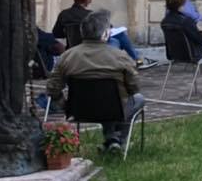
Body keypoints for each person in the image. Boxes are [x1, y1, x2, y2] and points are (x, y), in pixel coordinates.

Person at [46, 8, 143, 150]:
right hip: (115, 109)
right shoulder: (120, 57)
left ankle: (112, 139)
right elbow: (134, 88)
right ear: (105, 34)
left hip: (79, 109)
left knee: (104, 99)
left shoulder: (67, 57)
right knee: (137, 98)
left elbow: (52, 88)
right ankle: (120, 139)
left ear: (82, 32)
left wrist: (66, 106)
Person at [51, 0, 158, 69]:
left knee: (117, 39)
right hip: (94, 48)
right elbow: (106, 30)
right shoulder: (91, 15)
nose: (91, 0)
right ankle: (137, 60)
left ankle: (136, 59)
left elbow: (57, 33)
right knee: (119, 37)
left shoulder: (64, 14)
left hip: (73, 48)